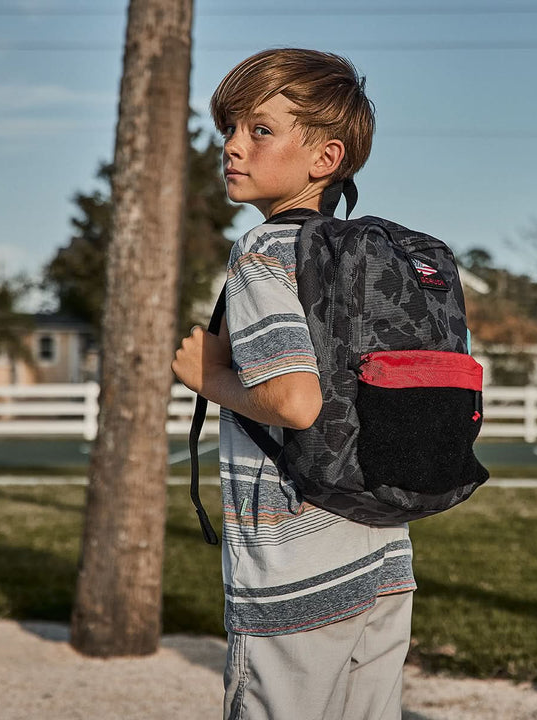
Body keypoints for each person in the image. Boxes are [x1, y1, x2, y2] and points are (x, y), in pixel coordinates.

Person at [172, 48, 415, 720]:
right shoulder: (365, 259)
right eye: (229, 129)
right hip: (383, 551)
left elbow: (295, 402)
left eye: (260, 130)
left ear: (325, 157)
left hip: (291, 574)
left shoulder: (264, 253)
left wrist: (208, 375)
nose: (232, 147)